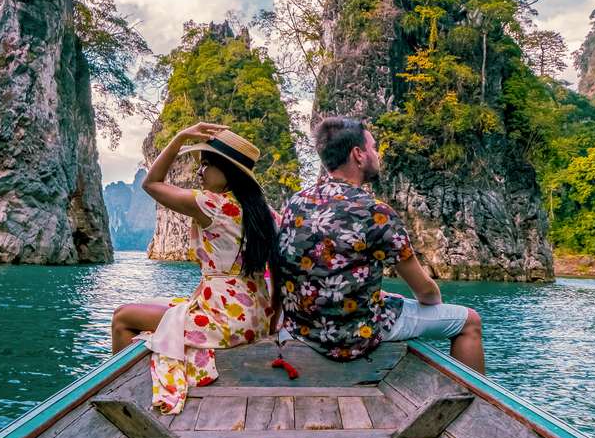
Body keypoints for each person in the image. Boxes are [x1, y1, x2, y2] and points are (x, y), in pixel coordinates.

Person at [275, 116, 485, 372]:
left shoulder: (295, 203)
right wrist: (431, 300)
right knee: (470, 322)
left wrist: (373, 295)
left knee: (392, 300)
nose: (377, 154)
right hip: (353, 335)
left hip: (303, 328)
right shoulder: (375, 212)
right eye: (373, 147)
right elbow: (426, 292)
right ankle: (477, 407)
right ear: (358, 155)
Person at [110, 122, 280, 414]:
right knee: (159, 309)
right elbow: (278, 272)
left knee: (123, 318)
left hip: (223, 316)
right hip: (256, 317)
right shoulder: (265, 213)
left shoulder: (212, 204)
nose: (200, 173)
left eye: (206, 165)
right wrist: (272, 323)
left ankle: (125, 395)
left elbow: (151, 184)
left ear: (227, 171)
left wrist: (180, 136)